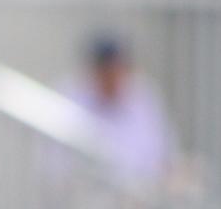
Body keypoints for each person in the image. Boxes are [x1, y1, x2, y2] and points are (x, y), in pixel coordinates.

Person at [62, 34, 175, 184]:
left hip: (142, 194)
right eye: (105, 71)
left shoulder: (143, 95)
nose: (112, 78)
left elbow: (163, 152)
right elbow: (61, 166)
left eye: (117, 70)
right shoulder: (71, 98)